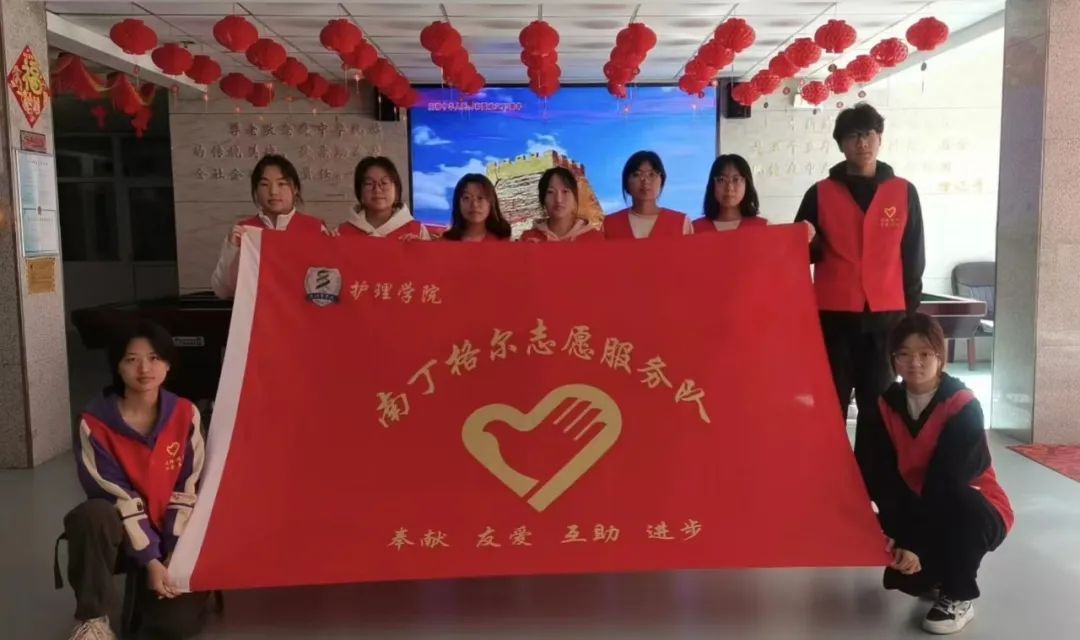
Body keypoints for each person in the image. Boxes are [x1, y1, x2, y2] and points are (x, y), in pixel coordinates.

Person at [794, 103, 925, 467]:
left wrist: (908, 318)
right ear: (841, 144)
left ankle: (871, 480)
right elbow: (799, 252)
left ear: (879, 138)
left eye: (868, 134)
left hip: (886, 319)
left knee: (877, 408)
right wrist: (808, 241)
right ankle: (828, 478)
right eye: (853, 136)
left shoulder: (903, 192)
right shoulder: (820, 193)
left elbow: (913, 256)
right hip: (833, 318)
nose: (862, 143)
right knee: (828, 405)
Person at [863, 313, 1011, 635]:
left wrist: (914, 542)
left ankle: (959, 595)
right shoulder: (884, 406)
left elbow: (947, 480)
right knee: (910, 578)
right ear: (893, 358)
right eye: (904, 354)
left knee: (957, 502)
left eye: (924, 353)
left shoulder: (963, 405)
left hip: (975, 507)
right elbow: (877, 475)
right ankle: (939, 573)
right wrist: (897, 535)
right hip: (919, 504)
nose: (914, 363)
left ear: (940, 356)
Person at [62, 321, 209, 640]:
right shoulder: (94, 422)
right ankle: (92, 619)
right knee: (92, 515)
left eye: (154, 358)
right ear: (117, 366)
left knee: (173, 627)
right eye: (131, 359)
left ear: (168, 364)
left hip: (173, 534)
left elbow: (188, 489)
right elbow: (115, 494)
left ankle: (157, 591)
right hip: (122, 533)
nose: (144, 369)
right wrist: (151, 559)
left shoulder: (186, 415)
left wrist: (173, 553)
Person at [210, 155, 326, 298]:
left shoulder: (315, 229)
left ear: (295, 188)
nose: (273, 192)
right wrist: (232, 249)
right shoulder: (243, 232)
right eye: (264, 184)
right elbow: (222, 291)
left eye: (281, 184)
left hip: (301, 311)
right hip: (256, 311)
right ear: (256, 190)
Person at [604, 150, 693, 239]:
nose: (645, 180)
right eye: (636, 174)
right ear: (626, 182)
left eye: (651, 174)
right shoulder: (609, 224)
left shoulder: (681, 223)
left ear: (662, 181)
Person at [339, 156, 430, 240]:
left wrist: (419, 248)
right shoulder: (341, 233)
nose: (377, 190)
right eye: (369, 183)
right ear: (359, 190)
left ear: (396, 189)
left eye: (384, 183)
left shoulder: (418, 231)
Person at [521, 167, 604, 242]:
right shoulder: (528, 240)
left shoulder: (594, 239)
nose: (558, 200)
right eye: (551, 192)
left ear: (575, 198)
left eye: (565, 191)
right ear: (543, 199)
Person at [692, 154, 768, 233]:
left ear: (747, 184)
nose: (729, 188)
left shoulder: (765, 228)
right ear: (712, 185)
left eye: (736, 179)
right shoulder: (693, 230)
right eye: (721, 180)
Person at [441, 174, 513, 242]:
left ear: (491, 203)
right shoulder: (443, 243)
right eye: (467, 198)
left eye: (480, 198)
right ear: (458, 203)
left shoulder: (505, 242)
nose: (474, 204)